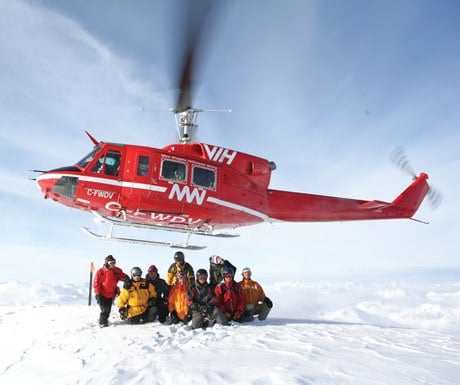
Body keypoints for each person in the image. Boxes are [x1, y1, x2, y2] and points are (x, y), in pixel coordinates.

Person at [93, 255, 128, 327]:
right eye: (111, 263)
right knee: (104, 310)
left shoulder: (117, 271)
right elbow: (96, 284)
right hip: (101, 294)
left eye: (114, 263)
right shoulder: (100, 272)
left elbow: (122, 275)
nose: (113, 265)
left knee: (108, 310)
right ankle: (102, 323)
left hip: (111, 294)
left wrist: (126, 279)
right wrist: (97, 294)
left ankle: (104, 320)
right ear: (107, 263)